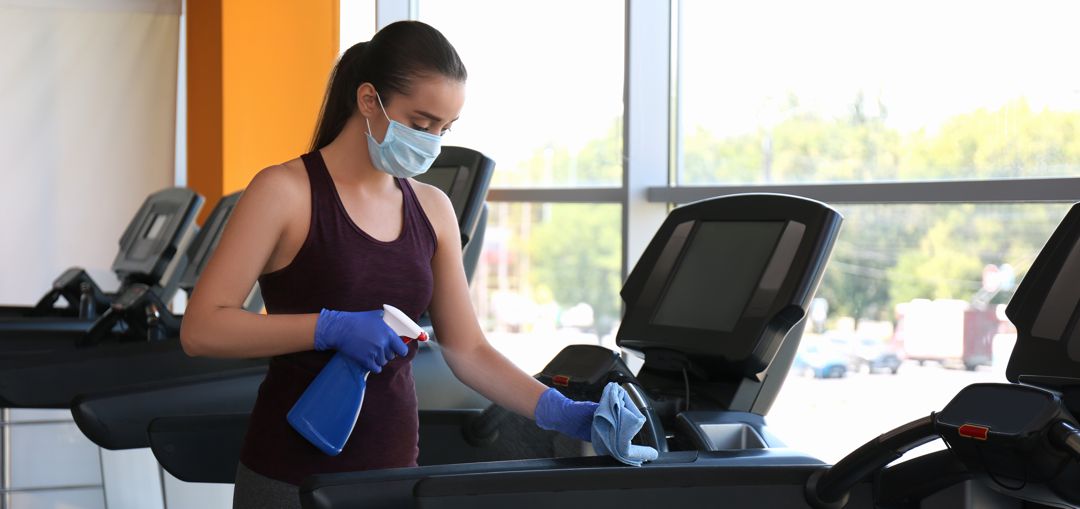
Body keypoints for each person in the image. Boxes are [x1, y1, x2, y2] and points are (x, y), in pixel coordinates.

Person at [180, 21, 599, 509]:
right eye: (421, 125)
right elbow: (202, 329)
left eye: (444, 129)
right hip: (289, 480)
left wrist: (560, 411)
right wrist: (327, 328)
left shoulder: (433, 208)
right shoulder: (284, 192)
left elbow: (468, 350)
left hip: (395, 477)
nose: (432, 142)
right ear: (367, 100)